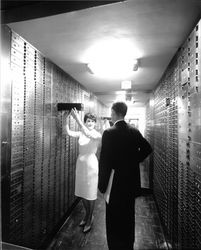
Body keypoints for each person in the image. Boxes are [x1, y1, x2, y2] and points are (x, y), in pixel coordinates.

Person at [98, 101, 152, 250]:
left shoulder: (109, 132)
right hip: (131, 182)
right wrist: (134, 160)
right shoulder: (134, 131)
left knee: (113, 217)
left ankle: (115, 245)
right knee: (128, 215)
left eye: (111, 112)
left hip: (114, 182)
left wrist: (102, 186)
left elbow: (105, 162)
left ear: (114, 112)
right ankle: (128, 244)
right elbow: (147, 148)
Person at [64, 108, 101, 233]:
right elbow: (68, 132)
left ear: (95, 123)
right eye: (88, 121)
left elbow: (88, 133)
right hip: (80, 164)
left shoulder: (97, 134)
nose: (90, 123)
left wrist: (77, 119)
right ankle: (87, 215)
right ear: (85, 122)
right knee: (82, 193)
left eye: (92, 121)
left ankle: (89, 218)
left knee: (90, 193)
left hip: (91, 165)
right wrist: (66, 118)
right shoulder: (81, 133)